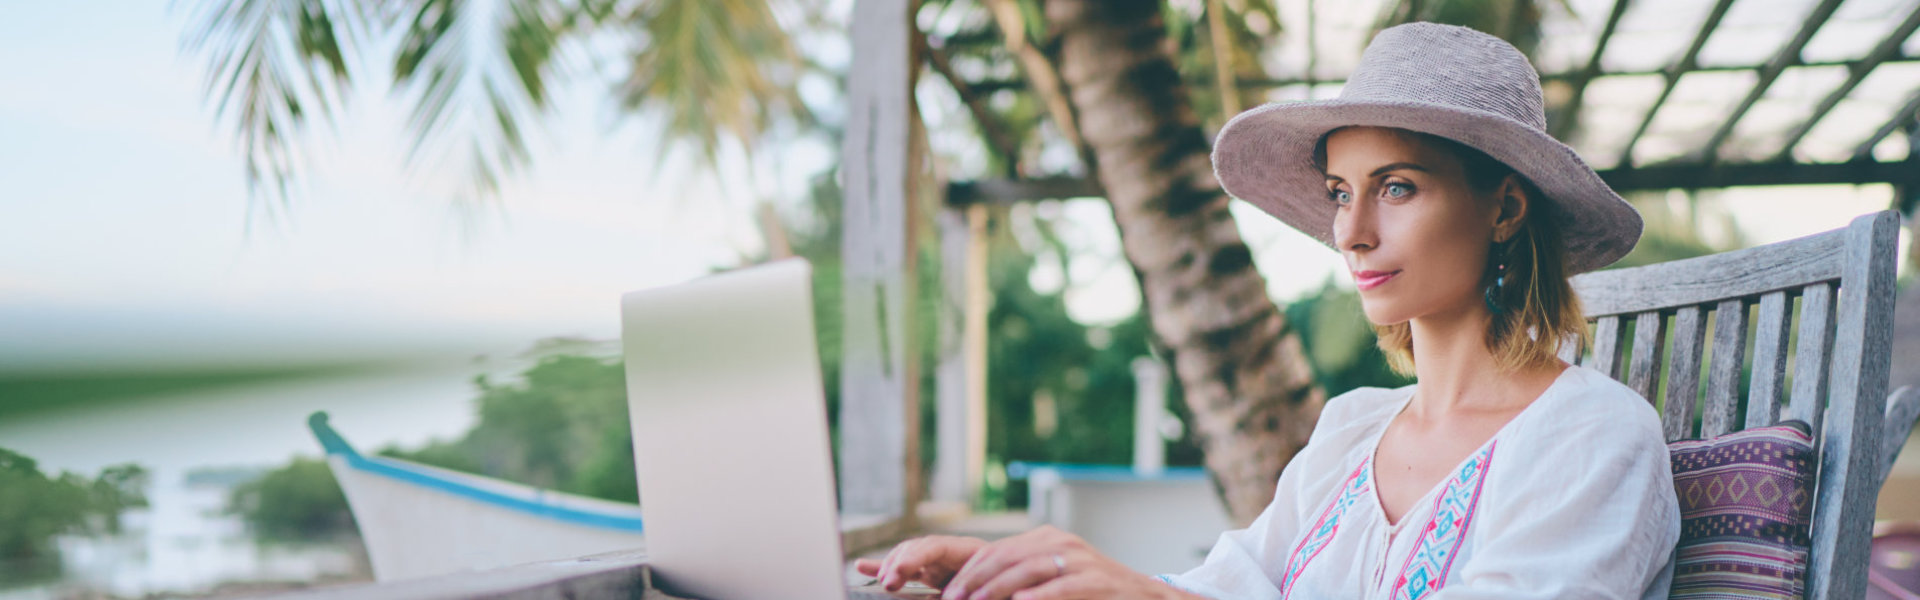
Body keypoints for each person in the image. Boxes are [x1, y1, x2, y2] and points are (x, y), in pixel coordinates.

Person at [853, 22, 1679, 600]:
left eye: (1397, 187)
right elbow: (1228, 585)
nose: (1351, 233)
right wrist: (1038, 578)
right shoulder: (1352, 432)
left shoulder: (1594, 435)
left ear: (1503, 209)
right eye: (1338, 194)